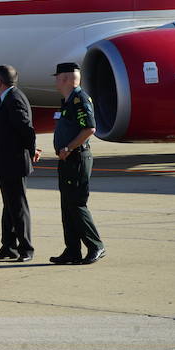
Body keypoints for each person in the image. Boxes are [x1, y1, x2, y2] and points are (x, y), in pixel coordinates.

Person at [50, 63, 105, 265]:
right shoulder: (68, 100)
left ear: (65, 79)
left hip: (77, 158)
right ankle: (72, 250)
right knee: (67, 206)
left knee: (77, 204)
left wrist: (69, 147)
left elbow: (89, 128)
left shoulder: (80, 99)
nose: (55, 81)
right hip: (67, 159)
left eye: (57, 77)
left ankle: (95, 245)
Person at [0, 65, 41, 262]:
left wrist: (31, 149)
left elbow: (26, 127)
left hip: (14, 161)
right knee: (9, 205)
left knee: (18, 206)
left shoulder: (14, 98)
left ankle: (26, 248)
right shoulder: (7, 97)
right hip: (5, 161)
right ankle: (8, 246)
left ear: (0, 81)